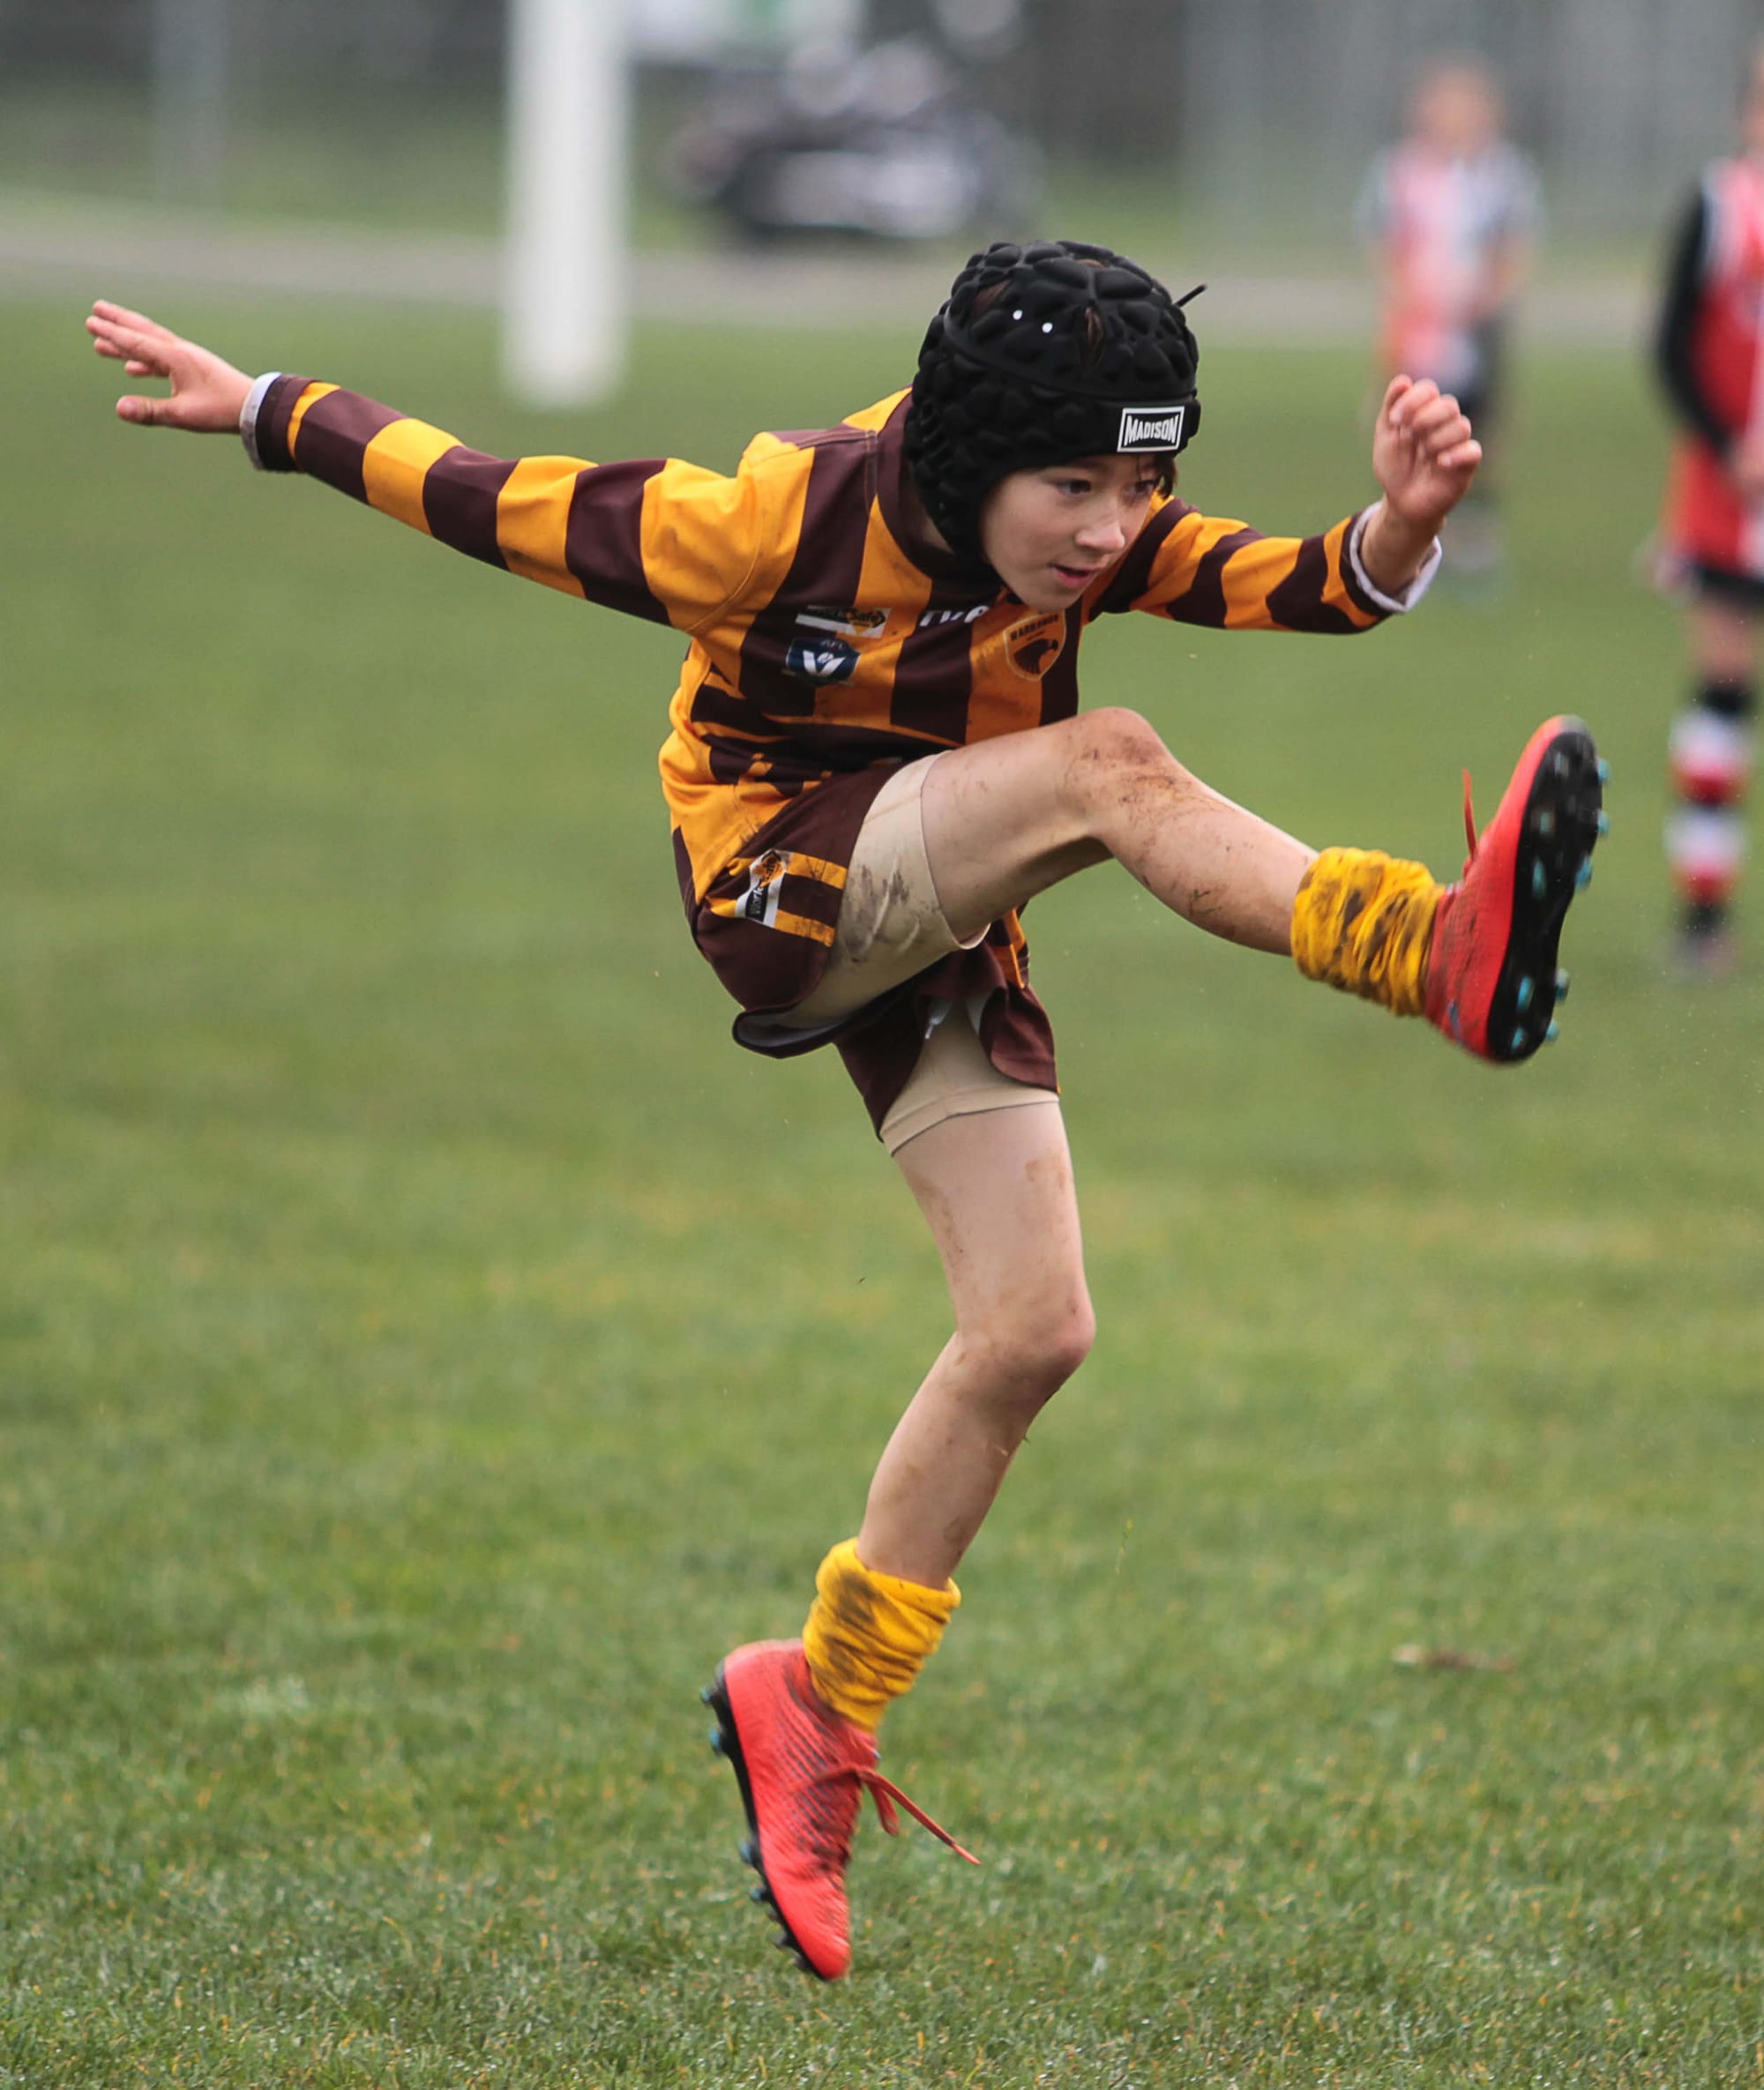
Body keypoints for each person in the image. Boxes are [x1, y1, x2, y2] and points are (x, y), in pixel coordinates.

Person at [86, 239, 1603, 1983]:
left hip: (935, 914)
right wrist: (269, 407)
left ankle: (815, 1706)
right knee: (1111, 765)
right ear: (972, 458)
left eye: (1135, 486)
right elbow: (497, 496)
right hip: (781, 888)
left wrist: (1401, 527)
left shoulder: (1087, 519)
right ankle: (1424, 948)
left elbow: (1301, 583)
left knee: (1032, 1331)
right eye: (1074, 489)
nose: (1108, 531)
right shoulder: (768, 521)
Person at [1652, 42, 1764, 975]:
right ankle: (1702, 916)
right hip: (1730, 500)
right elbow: (1668, 346)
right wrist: (1729, 445)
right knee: (1723, 693)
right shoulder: (1718, 207)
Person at [1357, 56, 1541, 586]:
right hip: (1418, 327)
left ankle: (1474, 541)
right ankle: (1401, 542)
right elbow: (1380, 240)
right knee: (1410, 429)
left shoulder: (1503, 174)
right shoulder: (1400, 170)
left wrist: (1487, 297)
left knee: (1477, 430)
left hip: (1475, 329)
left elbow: (1516, 244)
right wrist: (1409, 296)